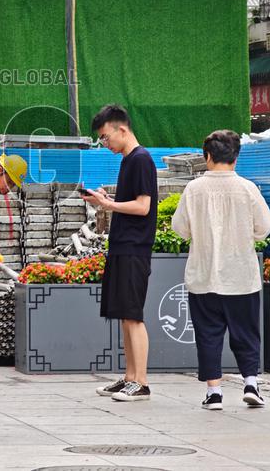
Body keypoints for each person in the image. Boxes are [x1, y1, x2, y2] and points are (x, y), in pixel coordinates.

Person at [171, 130, 270, 410]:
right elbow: (265, 226)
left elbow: (179, 228)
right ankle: (250, 383)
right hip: (241, 276)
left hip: (203, 277)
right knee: (246, 333)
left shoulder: (194, 189)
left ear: (207, 156)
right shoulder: (247, 188)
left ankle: (214, 392)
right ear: (236, 157)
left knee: (208, 335)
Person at [82, 104, 157, 402]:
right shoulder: (128, 160)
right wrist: (108, 200)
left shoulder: (141, 159)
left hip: (134, 248)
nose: (104, 143)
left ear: (121, 129)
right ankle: (129, 377)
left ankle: (141, 382)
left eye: (105, 137)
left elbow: (143, 206)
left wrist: (109, 206)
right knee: (125, 315)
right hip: (122, 245)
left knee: (133, 315)